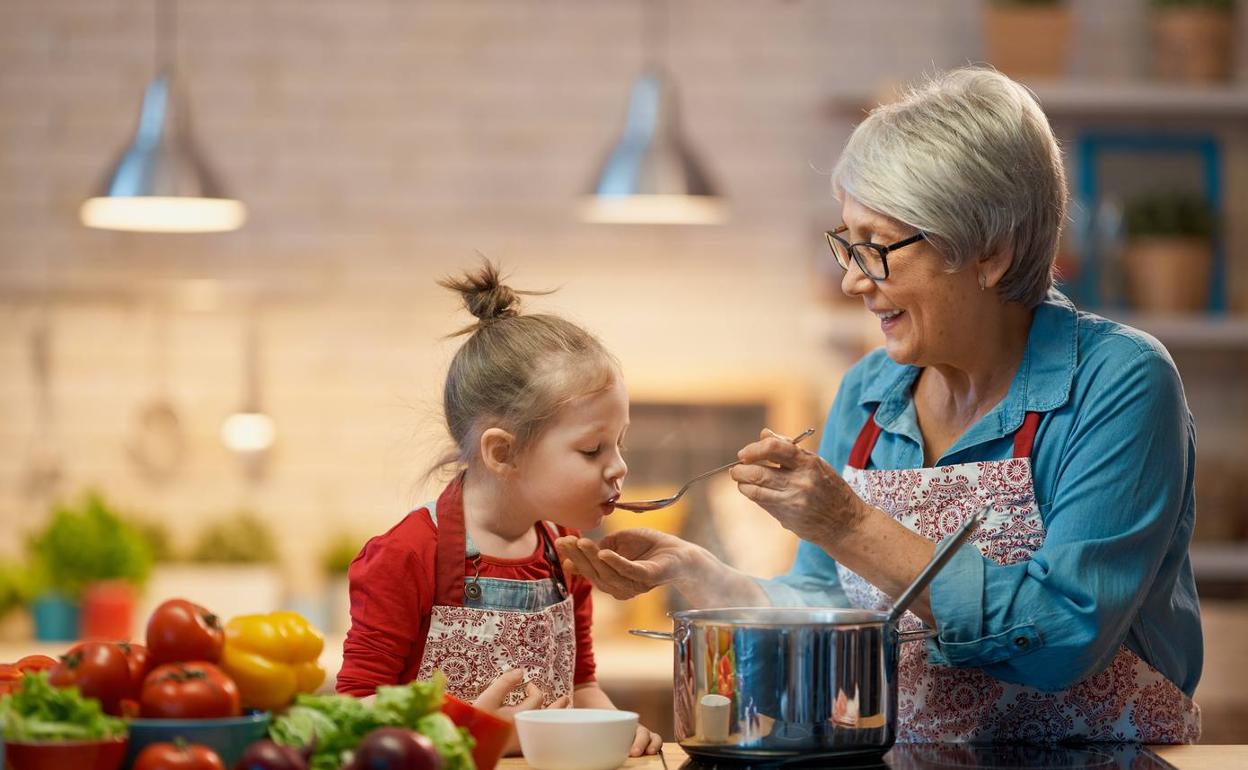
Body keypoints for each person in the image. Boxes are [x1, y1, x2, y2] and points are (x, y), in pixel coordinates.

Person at [556, 67, 1202, 744]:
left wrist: (850, 525)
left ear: (990, 252)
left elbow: (1064, 636)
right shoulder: (869, 392)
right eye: (847, 242)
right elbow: (825, 605)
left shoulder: (1118, 382)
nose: (851, 279)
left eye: (875, 247)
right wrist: (696, 572)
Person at [338, 261, 662, 756]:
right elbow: (354, 715)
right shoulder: (406, 556)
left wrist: (615, 729)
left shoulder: (566, 552)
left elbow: (581, 687)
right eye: (592, 449)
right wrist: (471, 730)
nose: (619, 467)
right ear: (503, 452)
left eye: (620, 442)